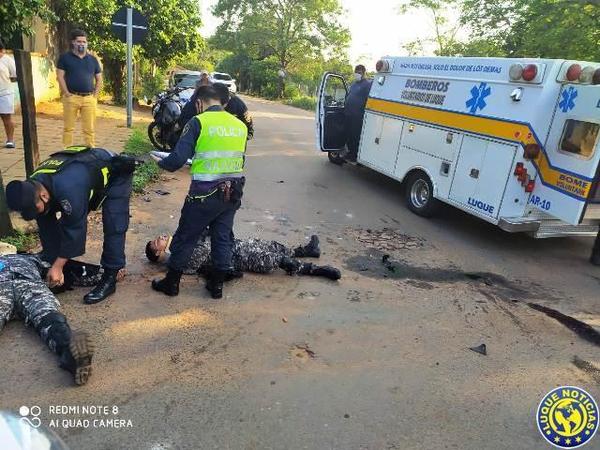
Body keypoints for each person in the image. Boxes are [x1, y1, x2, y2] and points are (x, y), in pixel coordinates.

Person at [151, 85, 247, 299]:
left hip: (204, 194)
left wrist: (161, 163)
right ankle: (217, 286)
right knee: (222, 237)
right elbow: (238, 158)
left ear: (199, 103)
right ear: (224, 102)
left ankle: (172, 284)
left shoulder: (198, 122)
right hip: (232, 193)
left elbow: (176, 160)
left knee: (186, 237)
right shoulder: (240, 126)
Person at [5, 147, 135, 304]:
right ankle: (58, 267)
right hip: (85, 175)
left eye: (35, 207)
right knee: (47, 218)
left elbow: (75, 229)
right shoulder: (33, 185)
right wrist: (52, 260)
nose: (34, 212)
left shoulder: (68, 188)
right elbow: (46, 225)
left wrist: (58, 266)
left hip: (116, 172)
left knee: (114, 223)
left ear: (44, 196)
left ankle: (110, 277)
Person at [0, 251, 94, 385]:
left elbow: (69, 269)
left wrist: (106, 274)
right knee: (47, 316)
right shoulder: (32, 258)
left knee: (50, 318)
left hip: (30, 286)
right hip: (22, 287)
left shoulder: (33, 258)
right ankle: (69, 352)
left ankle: (71, 356)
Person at [145, 233, 341, 281]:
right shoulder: (178, 261)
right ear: (159, 254)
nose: (161, 237)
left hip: (234, 244)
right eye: (157, 242)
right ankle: (315, 270)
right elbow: (203, 252)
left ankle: (306, 251)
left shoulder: (180, 242)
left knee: (271, 245)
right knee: (276, 259)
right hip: (235, 256)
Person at [56, 29, 102, 148]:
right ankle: (66, 150)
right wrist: (66, 93)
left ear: (87, 43)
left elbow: (99, 79)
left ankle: (90, 150)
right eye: (79, 41)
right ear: (73, 43)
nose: (82, 44)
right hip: (71, 97)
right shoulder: (65, 58)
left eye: (84, 42)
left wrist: (95, 96)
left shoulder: (93, 60)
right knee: (68, 128)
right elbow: (60, 76)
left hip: (89, 99)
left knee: (89, 129)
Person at [179, 82, 254, 141]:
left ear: (227, 102)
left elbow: (249, 130)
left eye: (220, 106)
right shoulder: (198, 102)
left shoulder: (238, 105)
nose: (216, 108)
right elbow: (182, 123)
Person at [344, 64, 372, 162]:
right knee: (348, 135)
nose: (357, 74)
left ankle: (354, 155)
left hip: (358, 116)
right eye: (356, 72)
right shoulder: (354, 84)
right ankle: (349, 152)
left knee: (355, 135)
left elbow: (369, 100)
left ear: (364, 73)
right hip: (348, 114)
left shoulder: (367, 84)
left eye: (359, 73)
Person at [0, 38, 17, 149]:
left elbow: (14, 75)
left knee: (6, 118)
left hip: (4, 93)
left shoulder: (7, 60)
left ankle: (10, 140)